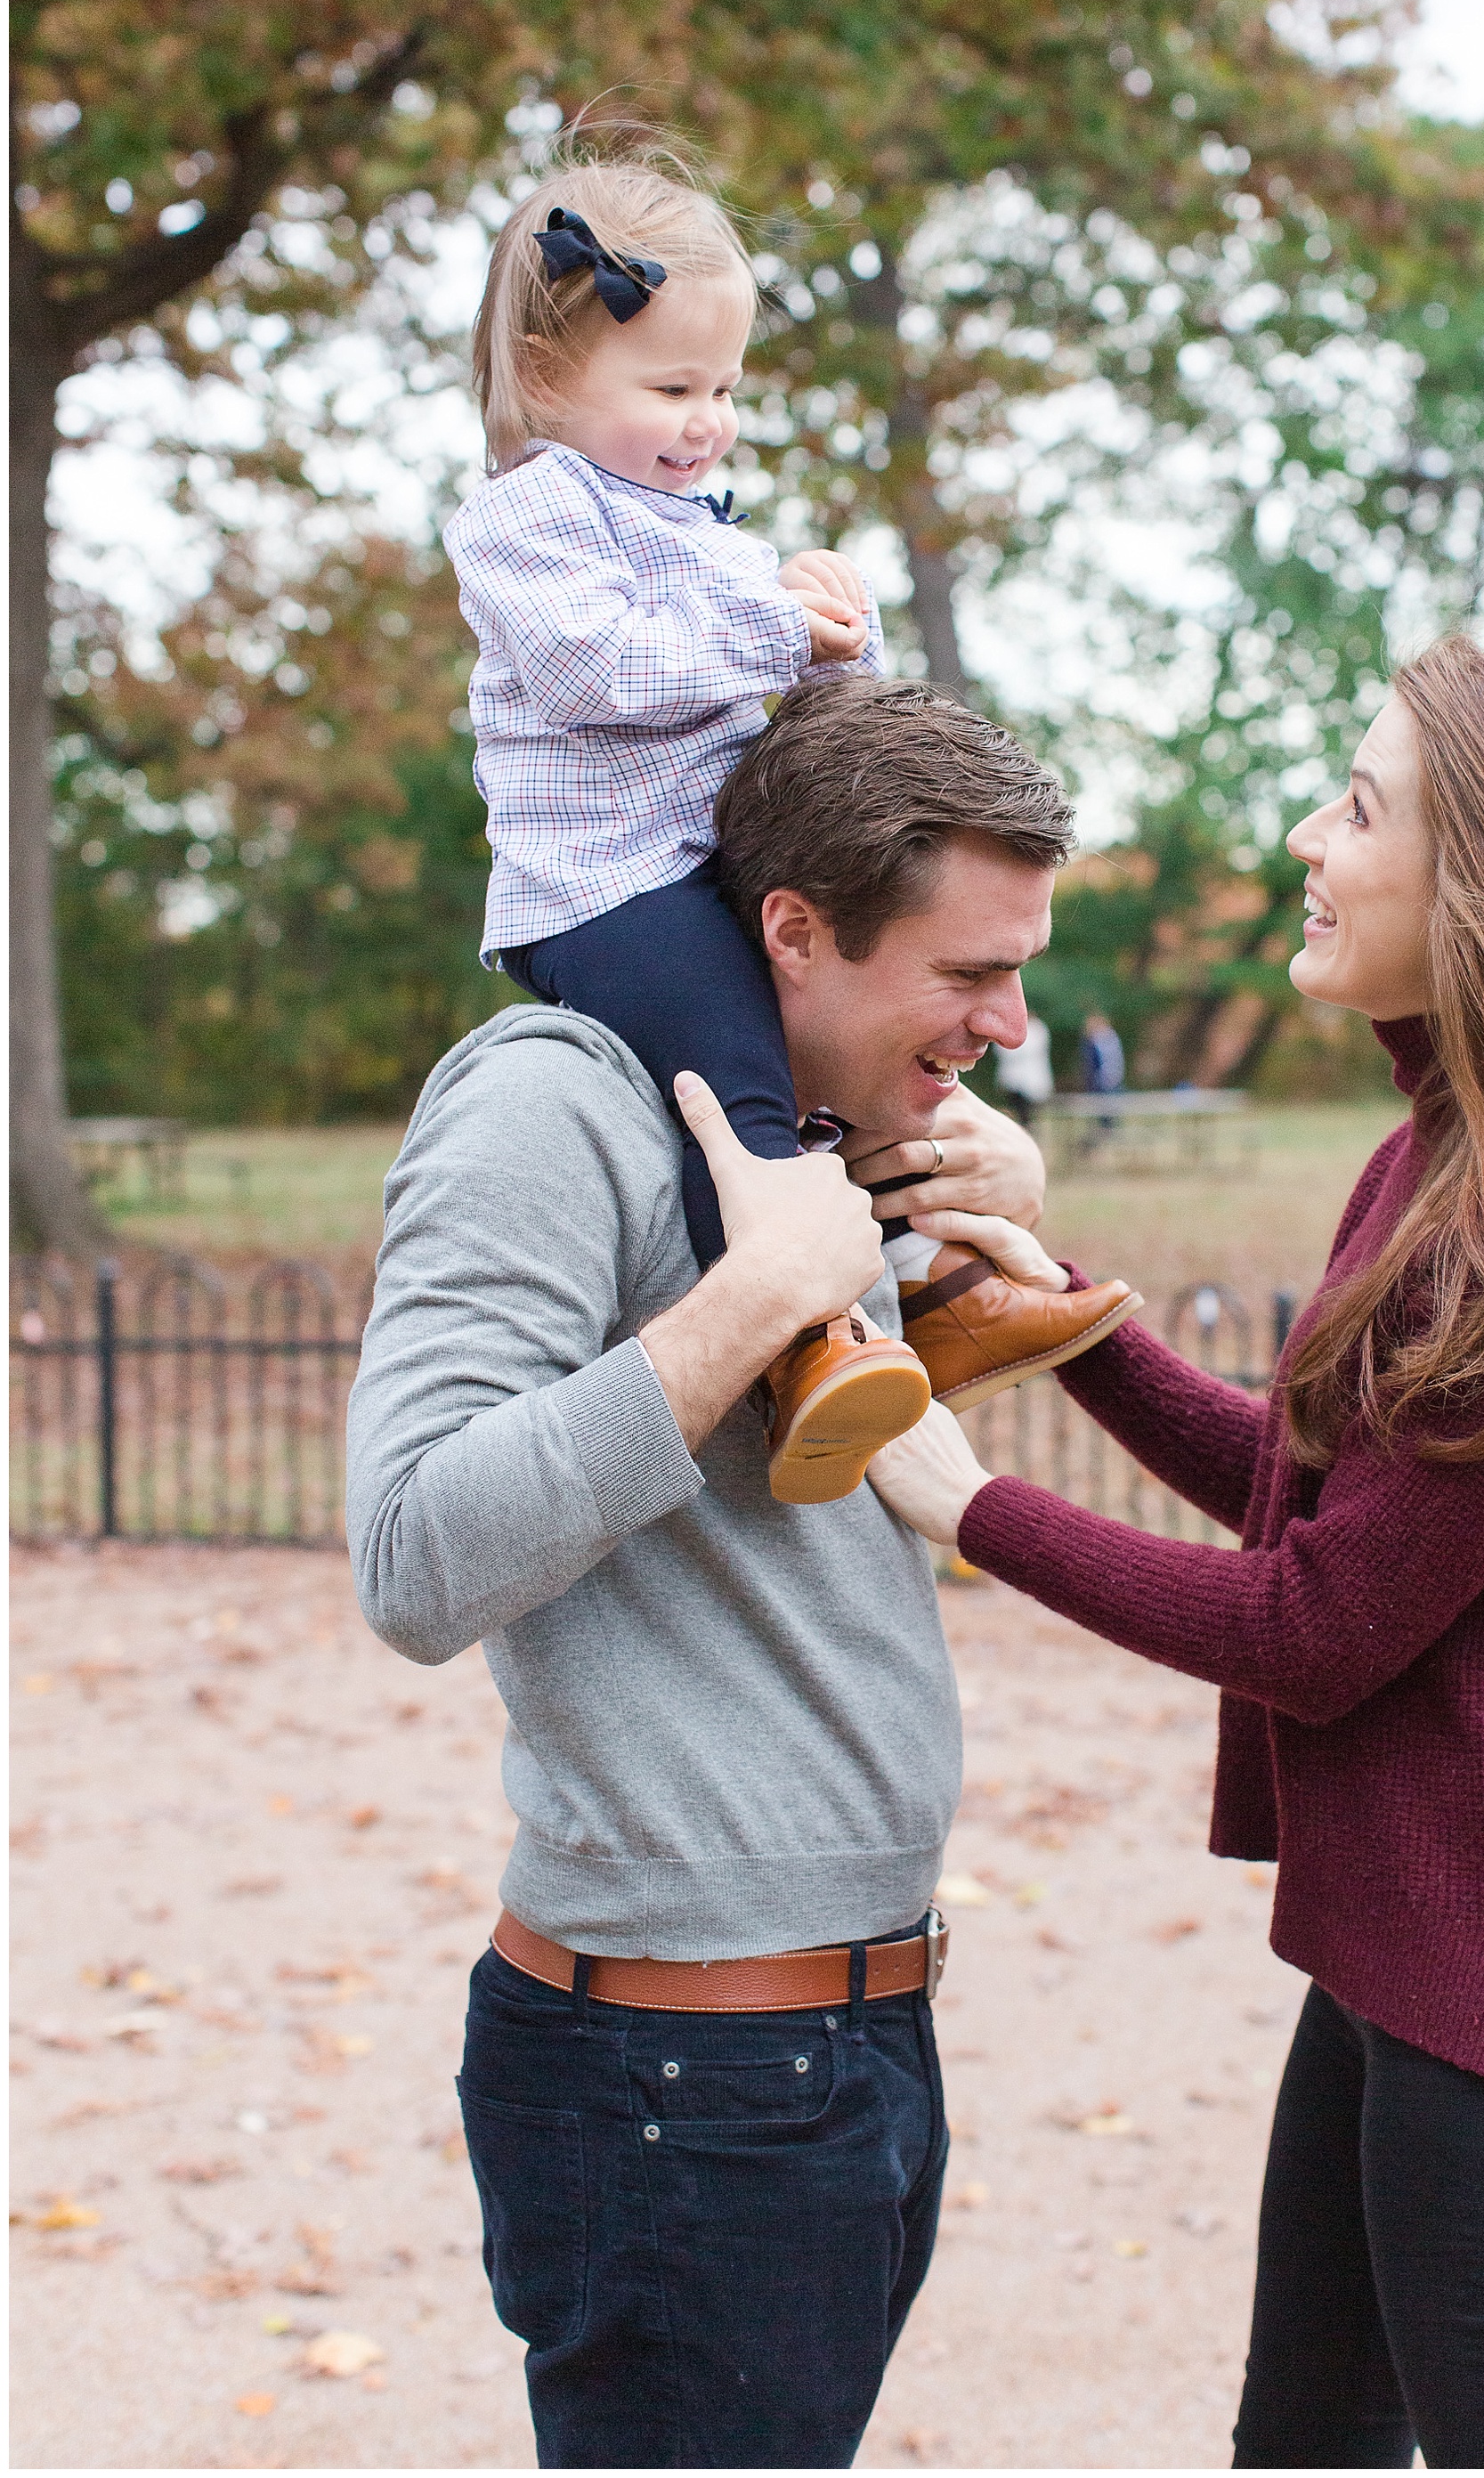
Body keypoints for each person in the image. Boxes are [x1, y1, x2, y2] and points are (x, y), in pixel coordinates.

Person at [864, 638, 1484, 2472]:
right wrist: (1065, 1315)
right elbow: (1339, 1500)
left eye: (1359, 804)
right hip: (1424, 1975)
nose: (1306, 833)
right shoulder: (1468, 1158)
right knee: (1301, 2442)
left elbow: (1315, 1625)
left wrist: (963, 1502)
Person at [345, 677, 1137, 2471]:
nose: (1012, 1020)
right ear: (793, 928)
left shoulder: (803, 1135)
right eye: (966, 973)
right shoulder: (553, 1102)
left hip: (847, 2043)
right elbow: (408, 1554)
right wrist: (753, 1302)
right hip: (679, 2081)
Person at [445, 128, 1125, 1498]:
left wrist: (843, 641)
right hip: (606, 886)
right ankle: (798, 1340)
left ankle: (940, 1287)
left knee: (849, 1067)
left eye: (727, 385)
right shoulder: (525, 523)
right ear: (544, 377)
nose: (710, 419)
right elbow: (604, 671)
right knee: (737, 1077)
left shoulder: (700, 523)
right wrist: (770, 625)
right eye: (674, 383)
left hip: (707, 859)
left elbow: (828, 742)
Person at [993, 1012, 1054, 1127]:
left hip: (1029, 1077)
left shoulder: (1037, 1030)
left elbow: (1028, 1050)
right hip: (1015, 1077)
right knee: (1017, 1106)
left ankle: (1027, 1128)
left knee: (1028, 1108)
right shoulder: (1012, 1028)